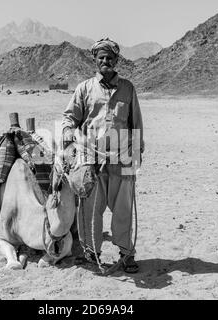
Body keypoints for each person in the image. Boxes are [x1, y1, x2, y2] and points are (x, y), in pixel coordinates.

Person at [61, 38, 144, 273]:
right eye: (101, 58)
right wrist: (68, 132)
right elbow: (70, 117)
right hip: (91, 159)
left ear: (116, 60)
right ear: (95, 61)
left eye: (109, 58)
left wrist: (137, 155)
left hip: (123, 158)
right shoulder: (84, 88)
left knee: (124, 209)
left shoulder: (128, 89)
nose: (105, 61)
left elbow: (135, 123)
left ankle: (126, 254)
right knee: (90, 209)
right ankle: (91, 252)